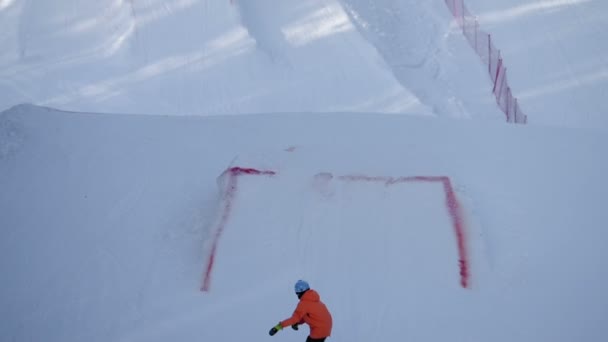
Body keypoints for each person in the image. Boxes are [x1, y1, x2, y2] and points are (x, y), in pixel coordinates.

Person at [269, 280, 333, 342]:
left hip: (319, 330)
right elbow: (308, 316)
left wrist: (278, 327)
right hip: (326, 328)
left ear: (300, 291)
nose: (297, 295)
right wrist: (298, 322)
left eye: (297, 292)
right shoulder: (313, 299)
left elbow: (294, 319)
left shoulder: (304, 303)